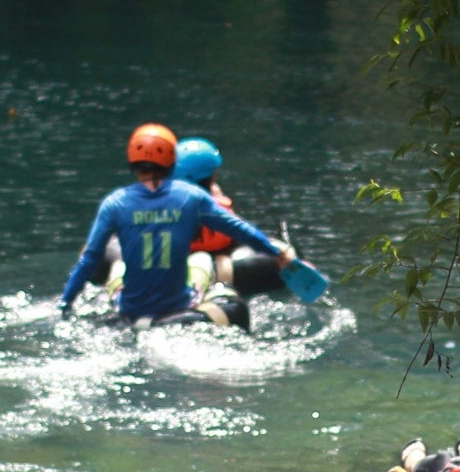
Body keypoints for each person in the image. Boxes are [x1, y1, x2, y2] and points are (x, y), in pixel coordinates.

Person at [59, 123, 304, 324]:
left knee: (124, 264)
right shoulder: (193, 200)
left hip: (129, 305)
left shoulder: (115, 203)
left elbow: (89, 258)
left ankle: (117, 297)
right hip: (178, 303)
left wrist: (66, 303)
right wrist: (277, 252)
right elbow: (241, 230)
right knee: (202, 262)